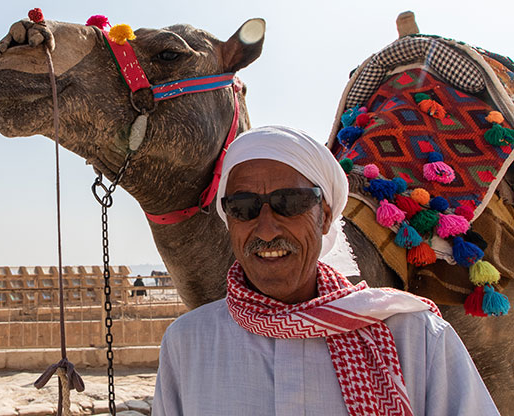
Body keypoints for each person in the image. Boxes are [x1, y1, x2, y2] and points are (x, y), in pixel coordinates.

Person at [152, 125, 498, 415]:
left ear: (326, 215)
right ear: (230, 221)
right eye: (244, 208)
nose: (267, 229)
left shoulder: (413, 337)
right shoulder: (188, 344)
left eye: (291, 203)